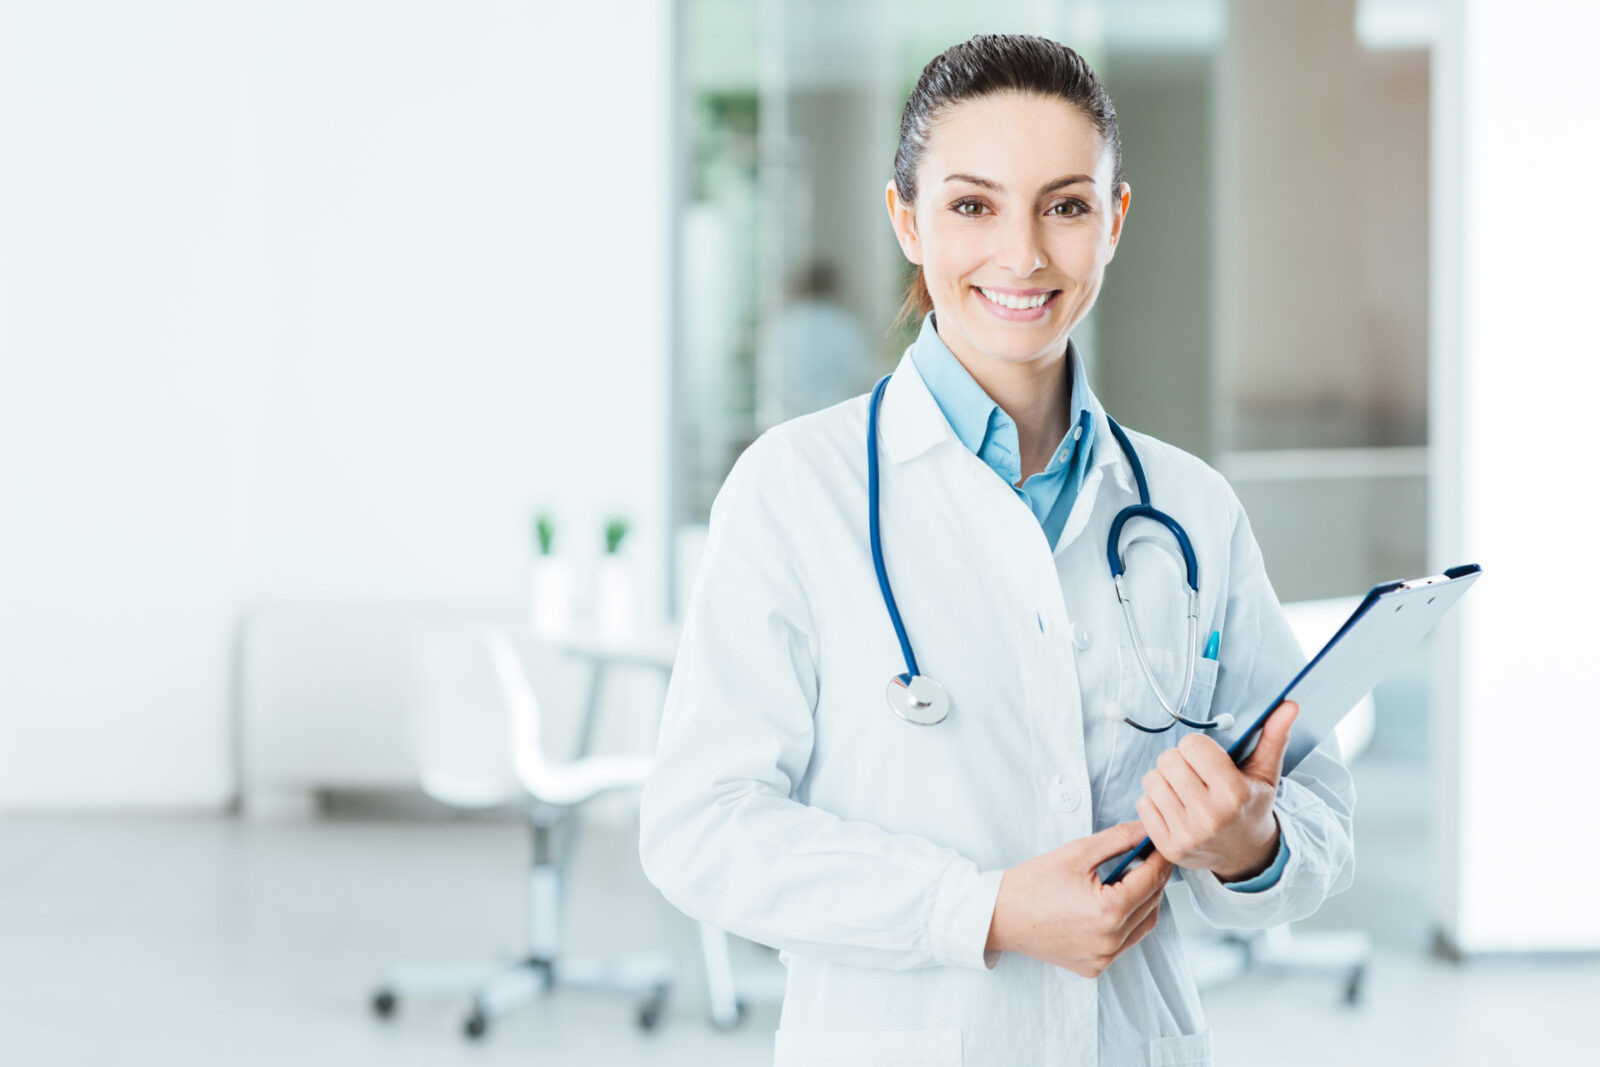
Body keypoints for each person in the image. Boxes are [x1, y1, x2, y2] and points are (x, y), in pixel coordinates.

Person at [639, 33, 1354, 1067]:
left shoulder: (1189, 508)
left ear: (1111, 223)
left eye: (1064, 206)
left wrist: (1251, 846)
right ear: (906, 219)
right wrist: (983, 909)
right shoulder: (795, 489)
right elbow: (701, 829)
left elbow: (1312, 804)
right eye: (972, 205)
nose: (1021, 254)